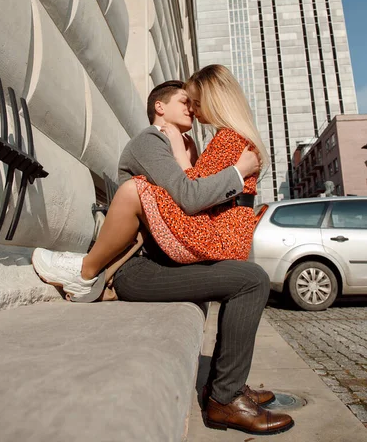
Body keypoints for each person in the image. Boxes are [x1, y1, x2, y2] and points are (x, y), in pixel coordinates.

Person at [33, 73, 294, 435]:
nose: (192, 106)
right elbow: (189, 196)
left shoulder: (193, 144)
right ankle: (224, 397)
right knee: (252, 281)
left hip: (165, 261)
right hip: (140, 269)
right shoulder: (152, 141)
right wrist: (235, 171)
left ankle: (227, 388)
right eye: (185, 101)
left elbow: (194, 195)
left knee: (249, 279)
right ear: (160, 107)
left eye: (195, 100)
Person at [133, 65, 269, 264]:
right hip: (230, 235)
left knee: (140, 188)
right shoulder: (233, 136)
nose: (193, 110)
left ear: (214, 102)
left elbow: (193, 194)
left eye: (197, 103)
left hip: (220, 238)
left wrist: (180, 152)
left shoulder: (229, 138)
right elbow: (208, 184)